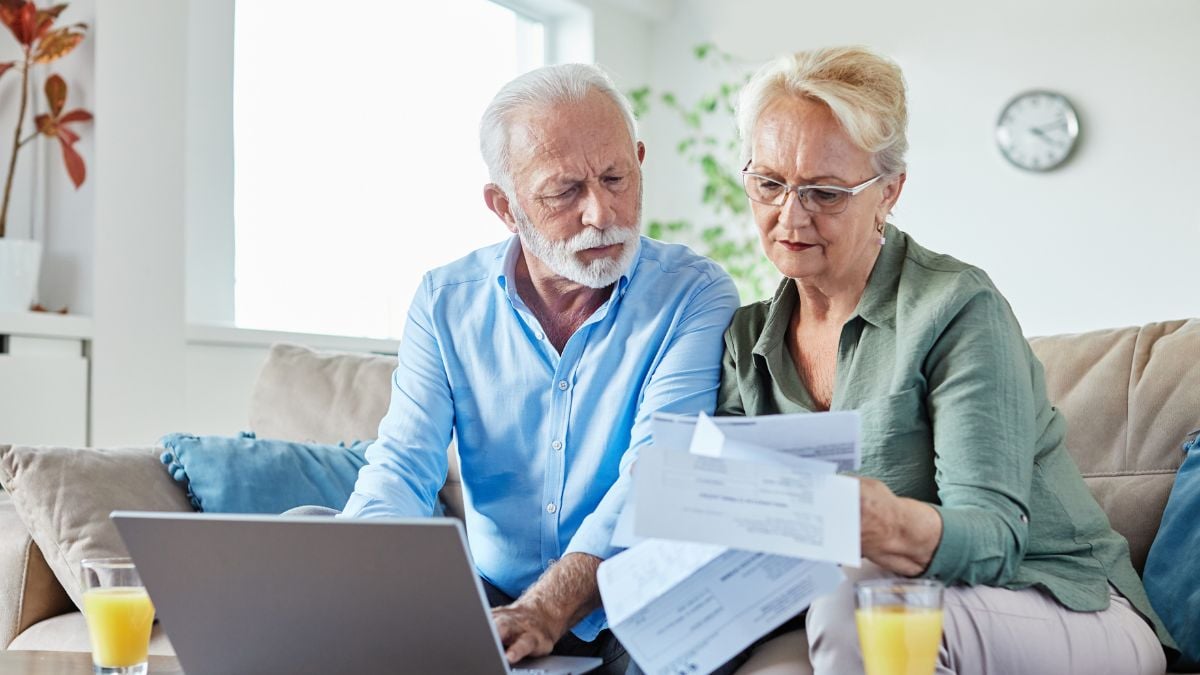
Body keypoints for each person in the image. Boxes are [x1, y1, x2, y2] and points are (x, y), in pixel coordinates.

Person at [717, 46, 1176, 674]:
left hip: (1063, 603)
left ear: (889, 191)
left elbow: (994, 540)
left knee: (864, 612)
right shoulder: (747, 340)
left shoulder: (956, 306)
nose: (790, 216)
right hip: (845, 601)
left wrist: (886, 525)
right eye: (769, 184)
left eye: (825, 192)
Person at [340, 63, 739, 673]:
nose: (602, 214)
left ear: (638, 160)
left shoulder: (695, 294)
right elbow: (402, 464)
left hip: (633, 599)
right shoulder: (446, 301)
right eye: (565, 192)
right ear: (505, 205)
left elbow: (658, 471)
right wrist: (358, 572)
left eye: (615, 178)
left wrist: (548, 609)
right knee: (316, 533)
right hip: (494, 594)